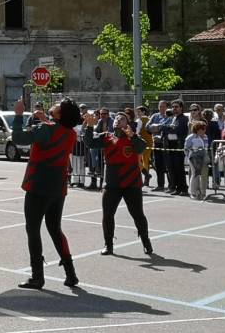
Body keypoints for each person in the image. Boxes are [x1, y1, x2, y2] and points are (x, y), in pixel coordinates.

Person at [12, 97, 81, 290]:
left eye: (59, 104)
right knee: (55, 229)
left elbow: (18, 138)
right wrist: (45, 120)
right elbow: (53, 132)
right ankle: (71, 273)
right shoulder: (70, 132)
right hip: (58, 187)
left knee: (33, 229)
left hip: (38, 185)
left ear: (60, 113)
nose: (56, 103)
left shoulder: (46, 129)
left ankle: (37, 277)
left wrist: (18, 114)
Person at [83, 111, 152, 256]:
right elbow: (89, 142)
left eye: (123, 119)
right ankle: (108, 245)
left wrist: (132, 136)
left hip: (131, 183)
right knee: (107, 214)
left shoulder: (133, 138)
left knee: (138, 214)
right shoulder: (107, 136)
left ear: (128, 123)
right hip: (112, 182)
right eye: (117, 118)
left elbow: (141, 147)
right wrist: (89, 127)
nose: (118, 120)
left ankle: (146, 242)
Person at [164, 100, 189, 196]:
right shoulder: (171, 118)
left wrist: (167, 128)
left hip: (179, 146)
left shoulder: (184, 119)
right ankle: (176, 188)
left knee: (179, 169)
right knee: (172, 169)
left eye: (176, 107)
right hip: (170, 145)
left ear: (181, 108)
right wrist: (167, 127)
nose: (174, 108)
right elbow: (164, 127)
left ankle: (184, 189)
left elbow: (178, 130)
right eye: (173, 107)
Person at [146, 100, 170, 191]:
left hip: (166, 143)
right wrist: (155, 128)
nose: (161, 108)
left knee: (167, 165)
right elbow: (147, 127)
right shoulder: (155, 116)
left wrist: (157, 127)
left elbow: (168, 127)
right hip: (156, 143)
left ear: (166, 107)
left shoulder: (169, 116)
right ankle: (160, 185)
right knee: (158, 164)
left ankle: (171, 185)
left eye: (163, 106)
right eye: (160, 106)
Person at [185, 121, 209, 200]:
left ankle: (203, 193)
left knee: (204, 175)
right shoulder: (190, 137)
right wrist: (190, 156)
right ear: (197, 129)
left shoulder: (205, 137)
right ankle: (193, 193)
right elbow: (186, 149)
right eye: (202, 129)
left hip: (204, 158)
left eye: (204, 129)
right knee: (195, 174)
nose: (204, 130)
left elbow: (206, 147)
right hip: (193, 158)